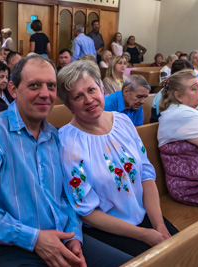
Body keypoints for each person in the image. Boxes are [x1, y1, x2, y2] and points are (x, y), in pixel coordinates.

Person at [0, 54, 133, 266]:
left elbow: (66, 198)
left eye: (51, 86)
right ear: (13, 90)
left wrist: (75, 236)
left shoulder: (56, 137)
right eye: (34, 85)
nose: (45, 94)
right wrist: (34, 239)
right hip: (9, 247)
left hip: (61, 239)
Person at [57, 60, 178, 257]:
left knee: (188, 251)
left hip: (146, 215)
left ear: (101, 88)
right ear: (69, 105)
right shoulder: (67, 143)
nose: (89, 100)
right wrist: (144, 235)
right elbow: (86, 212)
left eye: (91, 90)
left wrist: (159, 225)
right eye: (78, 96)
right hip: (107, 229)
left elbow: (146, 175)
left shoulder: (122, 121)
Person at [158, 69, 198, 208]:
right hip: (193, 187)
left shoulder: (194, 109)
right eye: (195, 89)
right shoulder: (179, 115)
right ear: (178, 96)